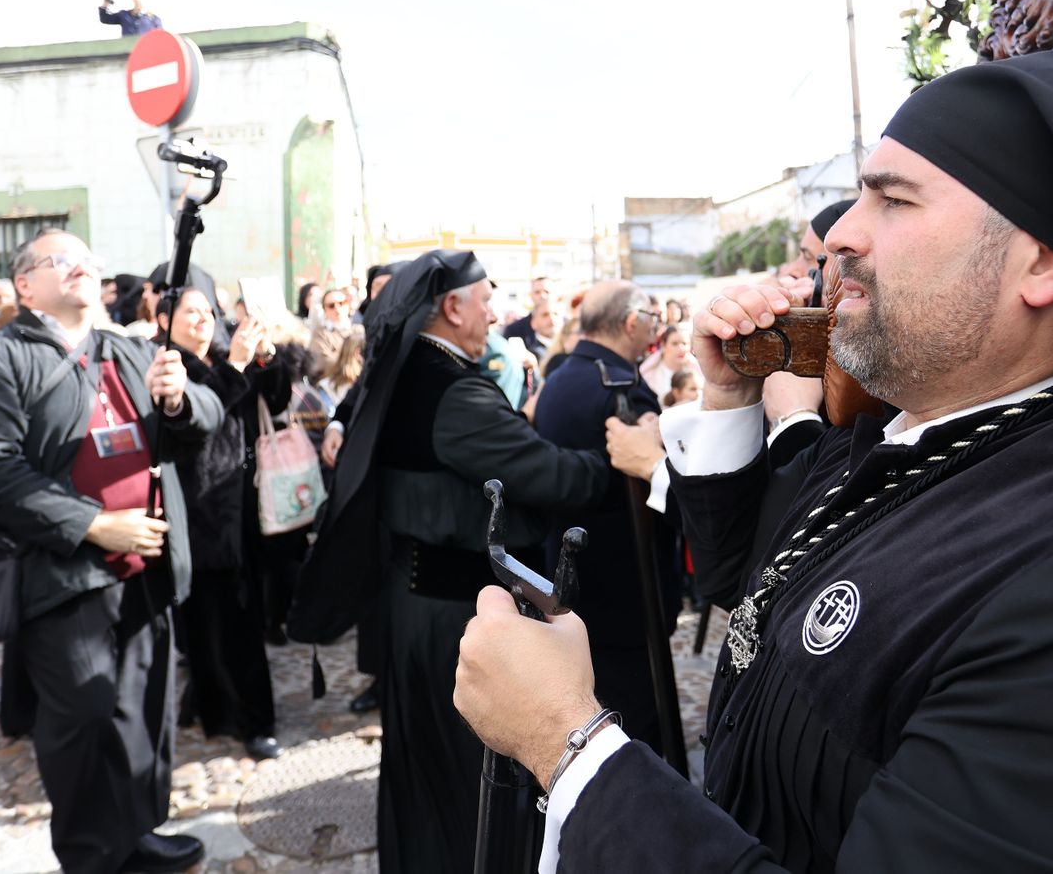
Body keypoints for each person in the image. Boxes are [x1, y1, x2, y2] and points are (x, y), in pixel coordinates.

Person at [454, 46, 1053, 870]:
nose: (843, 237)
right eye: (858, 193)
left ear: (1046, 263)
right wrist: (735, 395)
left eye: (892, 199)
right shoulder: (911, 432)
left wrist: (569, 744)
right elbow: (751, 580)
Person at [287, 249, 607, 873]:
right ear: (453, 306)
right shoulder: (450, 391)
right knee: (462, 777)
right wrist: (612, 458)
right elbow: (548, 474)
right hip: (449, 617)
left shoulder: (407, 373)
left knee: (425, 771)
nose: (493, 312)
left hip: (417, 605)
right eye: (485, 299)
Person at [0, 228, 221, 874]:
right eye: (59, 261)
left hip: (145, 566)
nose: (80, 268)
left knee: (142, 712)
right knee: (85, 720)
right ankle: (95, 856)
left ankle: (138, 833)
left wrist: (177, 400)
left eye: (87, 260)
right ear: (25, 285)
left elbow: (201, 420)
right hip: (62, 576)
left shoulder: (124, 350)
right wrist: (93, 524)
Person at [531, 280, 676, 747]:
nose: (654, 330)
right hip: (625, 585)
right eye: (652, 321)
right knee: (634, 722)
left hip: (572, 574)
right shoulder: (619, 387)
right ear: (632, 322)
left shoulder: (561, 376)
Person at [157, 288, 290, 761]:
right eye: (191, 311)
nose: (204, 320)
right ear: (164, 319)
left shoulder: (220, 358)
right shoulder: (168, 367)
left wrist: (266, 360)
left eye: (208, 312)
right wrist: (235, 366)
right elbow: (196, 421)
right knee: (202, 619)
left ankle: (254, 718)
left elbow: (274, 401)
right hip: (193, 508)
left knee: (239, 621)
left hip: (240, 506)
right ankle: (216, 706)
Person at [639, 324, 698, 398]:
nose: (681, 348)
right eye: (674, 344)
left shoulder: (698, 372)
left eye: (684, 343)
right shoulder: (650, 375)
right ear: (663, 346)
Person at [501, 274, 552, 345]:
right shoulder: (515, 330)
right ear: (531, 295)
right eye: (537, 292)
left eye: (547, 291)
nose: (543, 296)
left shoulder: (567, 326)